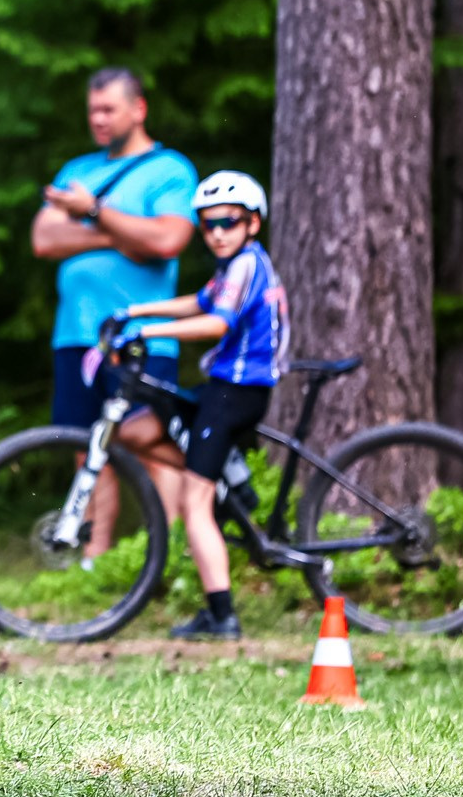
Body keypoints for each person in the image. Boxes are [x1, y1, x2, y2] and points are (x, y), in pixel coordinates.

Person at [114, 171, 289, 640]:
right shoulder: (233, 266)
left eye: (228, 222)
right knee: (137, 432)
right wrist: (135, 312)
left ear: (252, 223)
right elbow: (198, 302)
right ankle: (225, 479)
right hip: (221, 389)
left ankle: (222, 616)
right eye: (207, 224)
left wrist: (145, 334)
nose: (216, 232)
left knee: (195, 502)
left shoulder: (247, 264)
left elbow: (215, 324)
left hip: (235, 394)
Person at [32, 67, 198, 558]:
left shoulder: (168, 170)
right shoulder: (77, 172)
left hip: (141, 337)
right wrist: (116, 233)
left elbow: (167, 239)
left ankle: (164, 554)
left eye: (108, 109)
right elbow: (44, 239)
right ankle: (94, 561)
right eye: (92, 111)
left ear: (138, 109)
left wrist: (92, 212)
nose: (98, 120)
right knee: (87, 446)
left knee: (147, 440)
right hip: (76, 337)